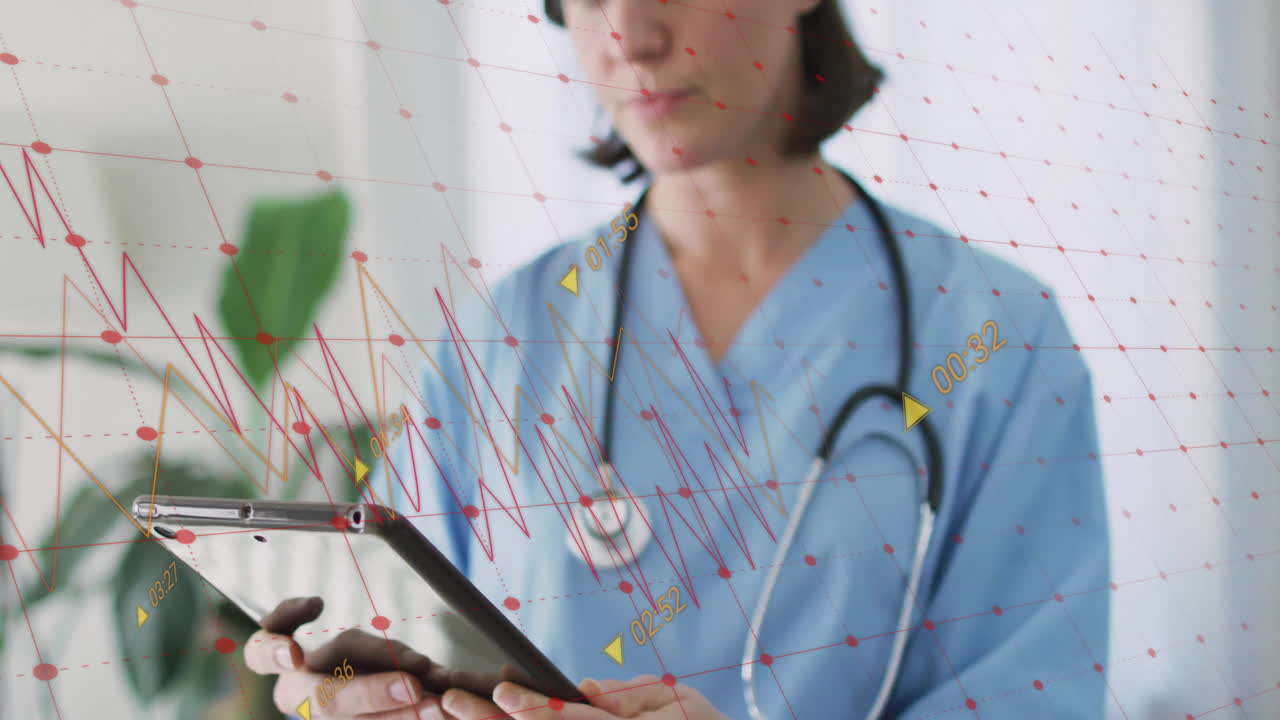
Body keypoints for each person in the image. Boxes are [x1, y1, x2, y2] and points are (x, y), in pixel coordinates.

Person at [245, 0, 1111, 717]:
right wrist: (344, 694)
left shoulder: (995, 338)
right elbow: (407, 633)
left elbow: (1032, 696)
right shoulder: (506, 333)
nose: (630, 35)